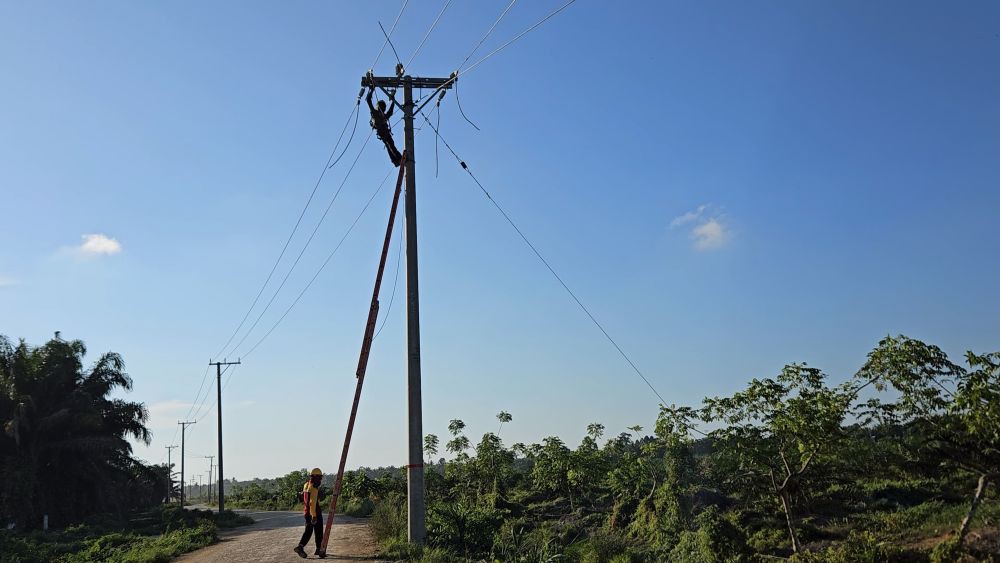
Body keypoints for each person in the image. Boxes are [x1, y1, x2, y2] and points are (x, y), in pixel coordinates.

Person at [293, 468, 326, 559]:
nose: (320, 480)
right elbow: (312, 503)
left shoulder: (306, 485)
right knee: (318, 531)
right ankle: (319, 549)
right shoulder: (314, 488)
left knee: (308, 531)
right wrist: (314, 516)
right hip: (314, 513)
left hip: (307, 512)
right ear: (315, 477)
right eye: (319, 477)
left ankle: (301, 547)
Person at [367, 85, 403, 167]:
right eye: (383, 107)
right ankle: (399, 158)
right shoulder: (375, 112)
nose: (383, 109)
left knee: (389, 145)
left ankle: (395, 161)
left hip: (383, 131)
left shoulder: (383, 115)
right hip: (382, 131)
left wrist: (393, 101)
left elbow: (390, 112)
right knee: (390, 144)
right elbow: (368, 100)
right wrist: (371, 90)